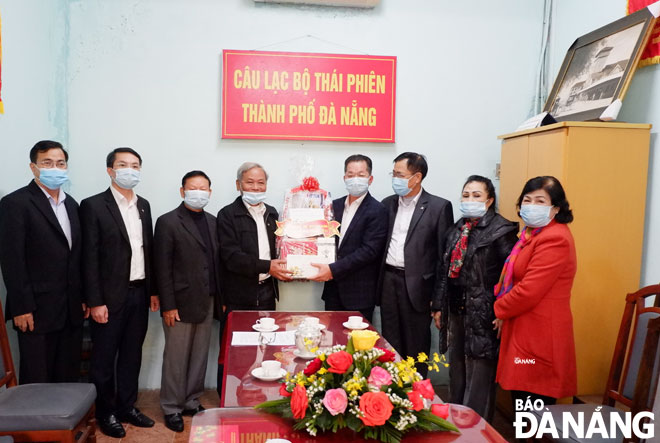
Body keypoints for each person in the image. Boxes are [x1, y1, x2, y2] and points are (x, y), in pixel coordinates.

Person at [80, 147, 159, 438]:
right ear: (110, 170)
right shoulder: (93, 205)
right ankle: (105, 412)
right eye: (123, 165)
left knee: (131, 355)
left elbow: (146, 250)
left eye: (135, 165)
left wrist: (152, 291)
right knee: (103, 359)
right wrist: (95, 300)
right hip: (109, 298)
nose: (130, 170)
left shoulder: (144, 205)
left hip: (139, 293)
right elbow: (89, 257)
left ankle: (127, 406)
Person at [432, 175, 518, 421]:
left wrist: (503, 313)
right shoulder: (458, 228)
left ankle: (477, 431)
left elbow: (510, 276)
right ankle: (455, 424)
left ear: (489, 200)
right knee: (457, 372)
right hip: (457, 310)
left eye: (477, 195)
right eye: (466, 195)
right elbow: (444, 269)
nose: (470, 200)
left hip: (484, 314)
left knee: (479, 374)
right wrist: (438, 306)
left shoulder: (501, 230)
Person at [0, 140, 86, 384]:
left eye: (60, 163)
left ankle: (65, 422)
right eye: (47, 162)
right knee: (38, 377)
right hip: (35, 310)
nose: (55, 168)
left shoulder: (72, 205)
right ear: (33, 167)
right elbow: (12, 260)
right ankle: (38, 423)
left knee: (67, 375)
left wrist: (81, 298)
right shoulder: (15, 204)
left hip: (70, 309)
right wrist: (21, 307)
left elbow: (75, 257)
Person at [494, 176, 577, 408]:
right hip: (524, 328)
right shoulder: (530, 235)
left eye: (540, 201)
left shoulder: (555, 238)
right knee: (522, 401)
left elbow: (529, 290)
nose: (531, 206)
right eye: (527, 200)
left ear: (556, 208)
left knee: (533, 403)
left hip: (540, 334)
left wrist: (497, 309)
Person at [216, 162, 292, 396]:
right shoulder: (227, 214)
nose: (256, 187)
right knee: (235, 348)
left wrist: (294, 265)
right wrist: (268, 265)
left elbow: (282, 248)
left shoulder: (272, 213)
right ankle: (228, 395)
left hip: (267, 290)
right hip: (238, 293)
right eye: (250, 182)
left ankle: (262, 393)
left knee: (267, 346)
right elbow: (231, 257)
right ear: (238, 184)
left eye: (261, 183)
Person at [154, 170, 222, 433]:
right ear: (182, 191)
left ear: (210, 192)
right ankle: (171, 406)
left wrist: (220, 300)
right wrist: (168, 305)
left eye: (204, 188)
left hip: (207, 299)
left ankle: (191, 400)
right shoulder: (168, 221)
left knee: (199, 354)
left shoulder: (213, 222)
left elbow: (215, 264)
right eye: (193, 188)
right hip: (179, 302)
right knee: (176, 357)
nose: (199, 193)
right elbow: (162, 267)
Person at [380, 152, 453, 372]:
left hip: (419, 288)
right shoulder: (387, 204)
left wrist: (438, 300)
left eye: (399, 174)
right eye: (393, 174)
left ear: (417, 177)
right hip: (389, 281)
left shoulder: (439, 207)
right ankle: (392, 394)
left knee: (416, 345)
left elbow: (444, 259)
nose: (395, 179)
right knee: (390, 344)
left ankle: (417, 398)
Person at [311, 154, 388, 322]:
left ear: (370, 178)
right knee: (331, 340)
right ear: (344, 177)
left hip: (359, 294)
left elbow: (369, 251)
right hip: (333, 291)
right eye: (351, 175)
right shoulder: (333, 206)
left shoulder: (378, 210)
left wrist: (333, 270)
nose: (355, 179)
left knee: (356, 344)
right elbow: (322, 238)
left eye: (361, 175)